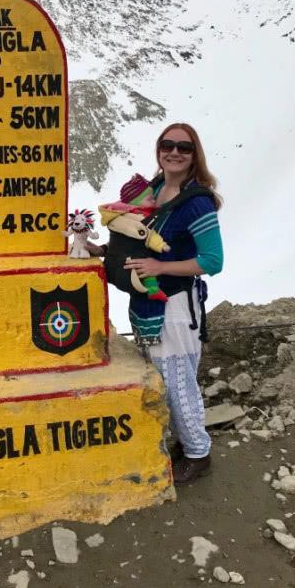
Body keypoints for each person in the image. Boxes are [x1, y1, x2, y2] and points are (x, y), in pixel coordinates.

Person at [90, 123, 223, 485]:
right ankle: (184, 442)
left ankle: (198, 454)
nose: (175, 152)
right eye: (168, 145)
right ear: (159, 149)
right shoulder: (153, 189)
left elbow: (212, 261)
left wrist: (160, 266)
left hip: (176, 307)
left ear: (195, 155)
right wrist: (100, 251)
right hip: (147, 302)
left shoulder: (197, 202)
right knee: (163, 380)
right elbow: (133, 242)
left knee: (179, 384)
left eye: (184, 147)